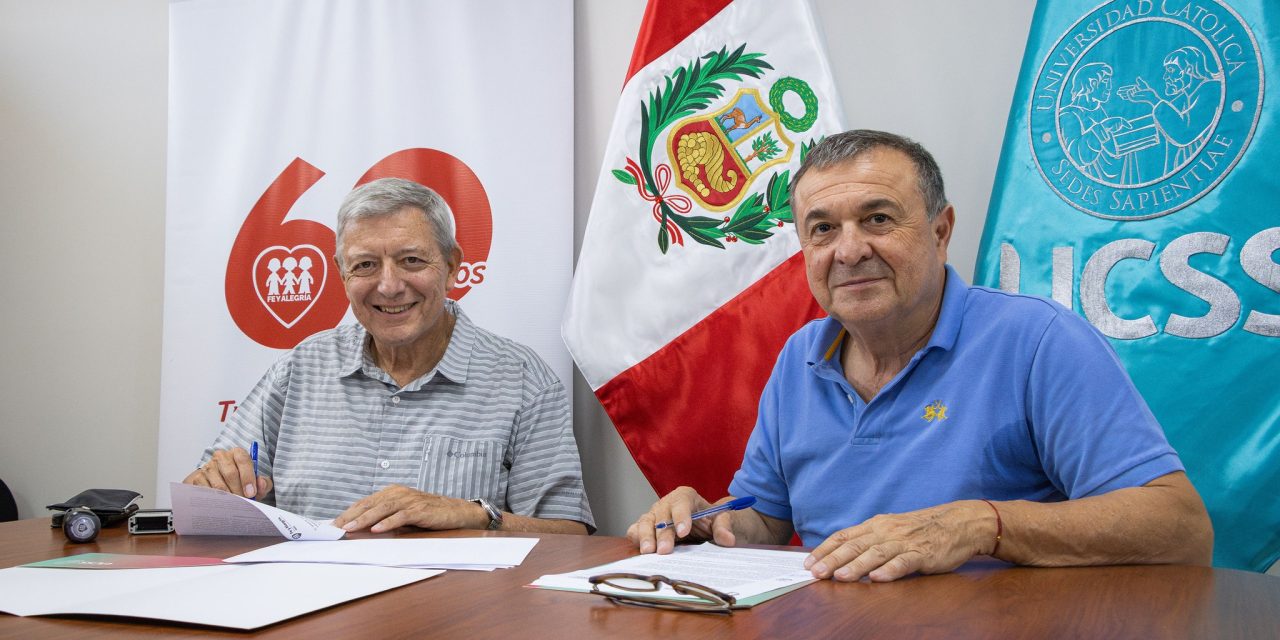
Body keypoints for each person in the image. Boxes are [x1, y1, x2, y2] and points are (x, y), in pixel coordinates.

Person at [627, 130, 1212, 581]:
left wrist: (984, 524)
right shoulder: (800, 355)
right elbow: (768, 516)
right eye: (823, 229)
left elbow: (1181, 530)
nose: (849, 250)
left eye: (877, 219)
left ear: (940, 231)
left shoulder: (1037, 340)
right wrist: (705, 520)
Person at [186, 178, 593, 535]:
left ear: (452, 267)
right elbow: (203, 497)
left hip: (453, 616)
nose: (389, 285)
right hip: (305, 611)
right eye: (365, 265)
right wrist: (216, 486)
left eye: (410, 260)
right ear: (343, 274)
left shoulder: (521, 380)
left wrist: (469, 514)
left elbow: (568, 535)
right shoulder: (299, 370)